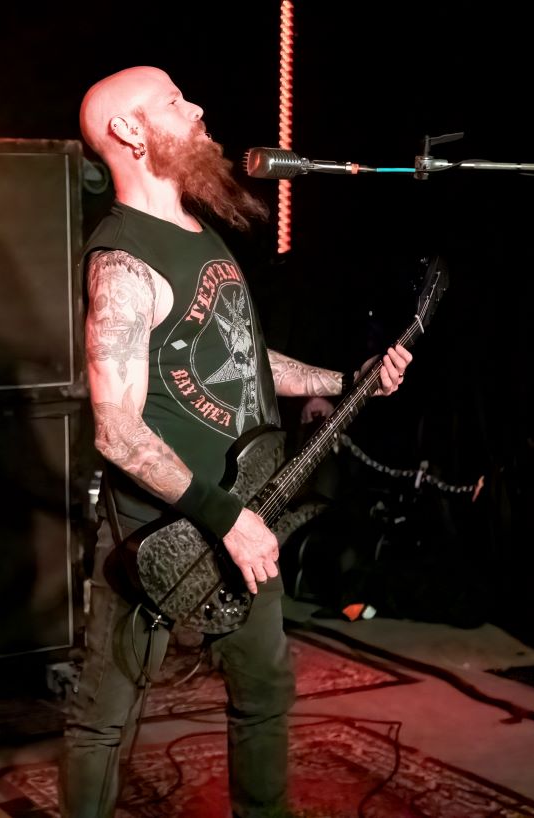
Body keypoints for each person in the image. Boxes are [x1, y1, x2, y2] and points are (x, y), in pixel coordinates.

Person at [63, 66, 412, 818]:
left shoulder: (201, 233)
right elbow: (117, 431)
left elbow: (243, 356)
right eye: (173, 101)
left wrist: (347, 379)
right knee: (105, 718)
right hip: (160, 533)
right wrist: (226, 518)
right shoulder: (121, 261)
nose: (196, 107)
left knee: (264, 693)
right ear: (128, 131)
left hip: (248, 511)